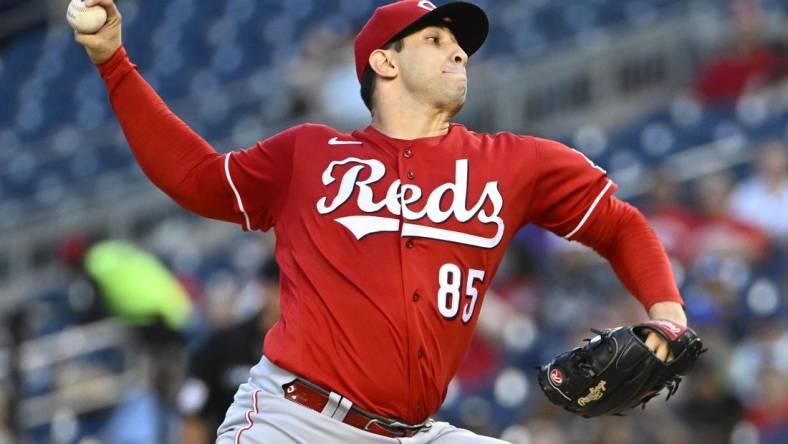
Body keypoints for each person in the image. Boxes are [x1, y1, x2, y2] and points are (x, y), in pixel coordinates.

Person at [74, 1, 688, 442]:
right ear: (384, 63)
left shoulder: (513, 163)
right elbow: (198, 179)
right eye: (433, 38)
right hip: (295, 422)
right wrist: (114, 63)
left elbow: (617, 223)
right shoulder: (310, 153)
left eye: (460, 44)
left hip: (413, 433)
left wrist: (667, 310)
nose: (457, 50)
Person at [178, 258, 281, 444]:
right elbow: (192, 412)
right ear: (265, 288)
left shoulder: (312, 347)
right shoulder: (222, 344)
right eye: (282, 288)